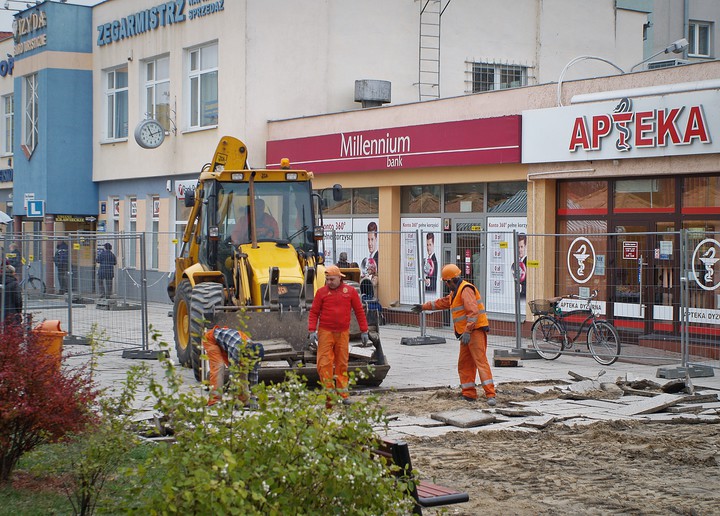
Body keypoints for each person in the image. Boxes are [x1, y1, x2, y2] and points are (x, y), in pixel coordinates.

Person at [412, 264, 496, 406]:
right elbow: (442, 303)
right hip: (466, 333)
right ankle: (469, 394)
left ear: (452, 280)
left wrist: (468, 331)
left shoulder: (465, 290)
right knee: (464, 364)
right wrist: (423, 307)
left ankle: (490, 394)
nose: (446, 284)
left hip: (474, 332)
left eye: (446, 282)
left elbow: (473, 312)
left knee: (480, 362)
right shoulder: (455, 293)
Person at [308, 265, 369, 407]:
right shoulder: (321, 293)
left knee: (342, 364)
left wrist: (364, 331)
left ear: (339, 278)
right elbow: (314, 312)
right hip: (325, 332)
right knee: (324, 364)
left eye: (331, 279)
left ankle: (343, 395)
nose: (329, 282)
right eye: (327, 279)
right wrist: (312, 330)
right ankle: (329, 395)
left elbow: (359, 311)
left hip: (342, 333)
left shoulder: (350, 291)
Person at [203, 326, 265, 407]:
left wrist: (253, 397)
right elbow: (233, 373)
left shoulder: (254, 353)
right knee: (219, 366)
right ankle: (214, 401)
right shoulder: (237, 348)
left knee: (243, 369)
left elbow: (253, 375)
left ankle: (242, 401)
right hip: (211, 339)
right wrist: (234, 398)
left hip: (225, 342)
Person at [512, 234, 528, 298]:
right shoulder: (514, 262)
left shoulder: (526, 261)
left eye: (521, 247)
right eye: (518, 247)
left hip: (524, 294)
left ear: (525, 246)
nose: (519, 250)